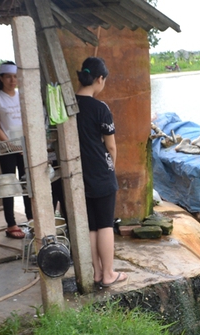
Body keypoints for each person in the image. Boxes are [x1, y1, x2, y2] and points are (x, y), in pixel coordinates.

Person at [75, 57, 128, 288]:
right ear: (99, 79)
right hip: (100, 173)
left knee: (92, 225)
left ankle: (96, 272)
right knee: (106, 224)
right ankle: (108, 274)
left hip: (78, 174)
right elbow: (111, 146)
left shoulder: (69, 105)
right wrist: (111, 169)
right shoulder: (100, 108)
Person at [0, 61, 32, 239]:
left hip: (24, 146)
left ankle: (31, 218)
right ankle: (11, 223)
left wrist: (25, 145)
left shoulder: (22, 95)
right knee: (8, 186)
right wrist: (11, 146)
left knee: (27, 183)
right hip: (7, 148)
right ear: (1, 79)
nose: (13, 80)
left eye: (15, 76)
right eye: (8, 77)